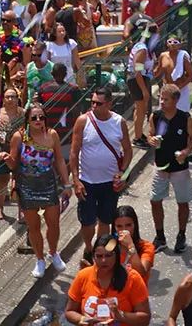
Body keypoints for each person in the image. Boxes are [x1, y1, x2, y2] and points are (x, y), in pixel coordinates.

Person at [0, 102, 71, 278]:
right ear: (27, 120)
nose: (38, 120)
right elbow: (14, 163)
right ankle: (39, 259)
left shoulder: (52, 135)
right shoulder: (19, 137)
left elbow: (60, 160)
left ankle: (53, 253)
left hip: (48, 183)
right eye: (34, 117)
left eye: (41, 117)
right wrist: (7, 158)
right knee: (34, 226)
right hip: (27, 185)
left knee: (53, 222)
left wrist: (67, 183)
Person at [71, 85, 131, 266]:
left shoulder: (119, 122)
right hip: (87, 181)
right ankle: (89, 247)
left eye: (98, 103)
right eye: (92, 102)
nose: (94, 106)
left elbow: (128, 151)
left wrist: (124, 174)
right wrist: (75, 180)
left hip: (109, 183)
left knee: (105, 219)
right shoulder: (83, 121)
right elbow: (74, 153)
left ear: (109, 104)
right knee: (87, 222)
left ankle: (100, 250)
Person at [148, 83, 192, 254]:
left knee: (182, 203)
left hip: (180, 169)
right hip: (160, 166)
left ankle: (181, 235)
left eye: (166, 99)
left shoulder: (185, 118)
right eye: (161, 98)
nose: (162, 102)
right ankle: (160, 237)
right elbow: (150, 134)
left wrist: (186, 151)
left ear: (176, 101)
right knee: (155, 200)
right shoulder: (155, 116)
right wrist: (151, 140)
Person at [64, 235, 152, 326]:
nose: (103, 260)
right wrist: (83, 319)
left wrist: (120, 315)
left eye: (108, 255)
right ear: (93, 256)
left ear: (116, 255)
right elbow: (70, 311)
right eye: (99, 256)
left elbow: (145, 318)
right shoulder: (83, 275)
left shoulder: (132, 278)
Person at [0, 87, 25, 219]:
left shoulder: (23, 113)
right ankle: (0, 207)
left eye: (13, 96)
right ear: (3, 99)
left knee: (18, 181)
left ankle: (21, 210)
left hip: (19, 151)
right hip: (1, 151)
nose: (10, 99)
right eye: (8, 97)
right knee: (2, 181)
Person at [124, 19, 153, 147]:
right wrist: (144, 90)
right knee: (141, 110)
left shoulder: (142, 47)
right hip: (138, 81)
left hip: (140, 79)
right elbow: (137, 71)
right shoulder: (142, 49)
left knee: (140, 109)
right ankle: (137, 137)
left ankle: (139, 134)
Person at [114, 205, 156, 284]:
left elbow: (141, 274)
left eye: (128, 225)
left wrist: (130, 246)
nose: (124, 230)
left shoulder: (146, 247)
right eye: (119, 226)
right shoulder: (110, 246)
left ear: (135, 225)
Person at [157, 37, 192, 114]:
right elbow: (157, 71)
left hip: (180, 91)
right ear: (167, 44)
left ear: (179, 45)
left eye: (175, 42)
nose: (172, 44)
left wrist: (178, 87)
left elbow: (190, 76)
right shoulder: (163, 56)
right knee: (165, 114)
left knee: (181, 114)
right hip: (166, 91)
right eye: (170, 41)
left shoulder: (183, 58)